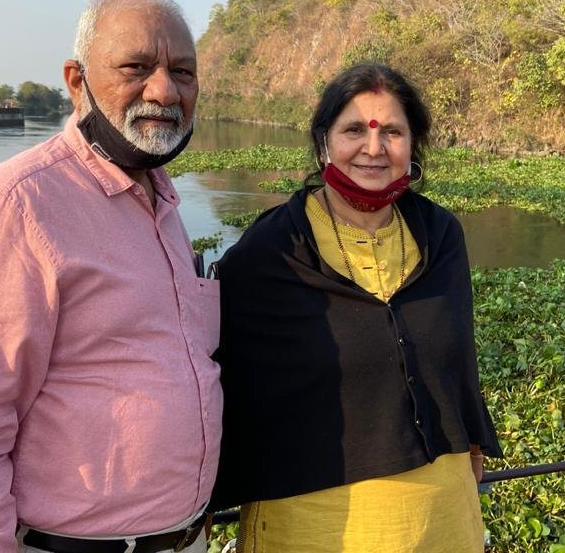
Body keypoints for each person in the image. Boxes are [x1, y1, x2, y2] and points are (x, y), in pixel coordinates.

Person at [0, 0, 221, 553]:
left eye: (183, 71)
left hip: (187, 539)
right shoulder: (14, 206)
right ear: (77, 80)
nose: (164, 91)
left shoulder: (160, 201)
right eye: (136, 68)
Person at [209, 63, 502, 552]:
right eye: (353, 130)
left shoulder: (440, 234)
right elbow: (217, 376)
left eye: (392, 132)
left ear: (413, 146)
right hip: (315, 521)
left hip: (443, 515)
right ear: (324, 141)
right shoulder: (272, 250)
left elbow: (457, 353)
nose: (373, 148)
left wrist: (473, 438)